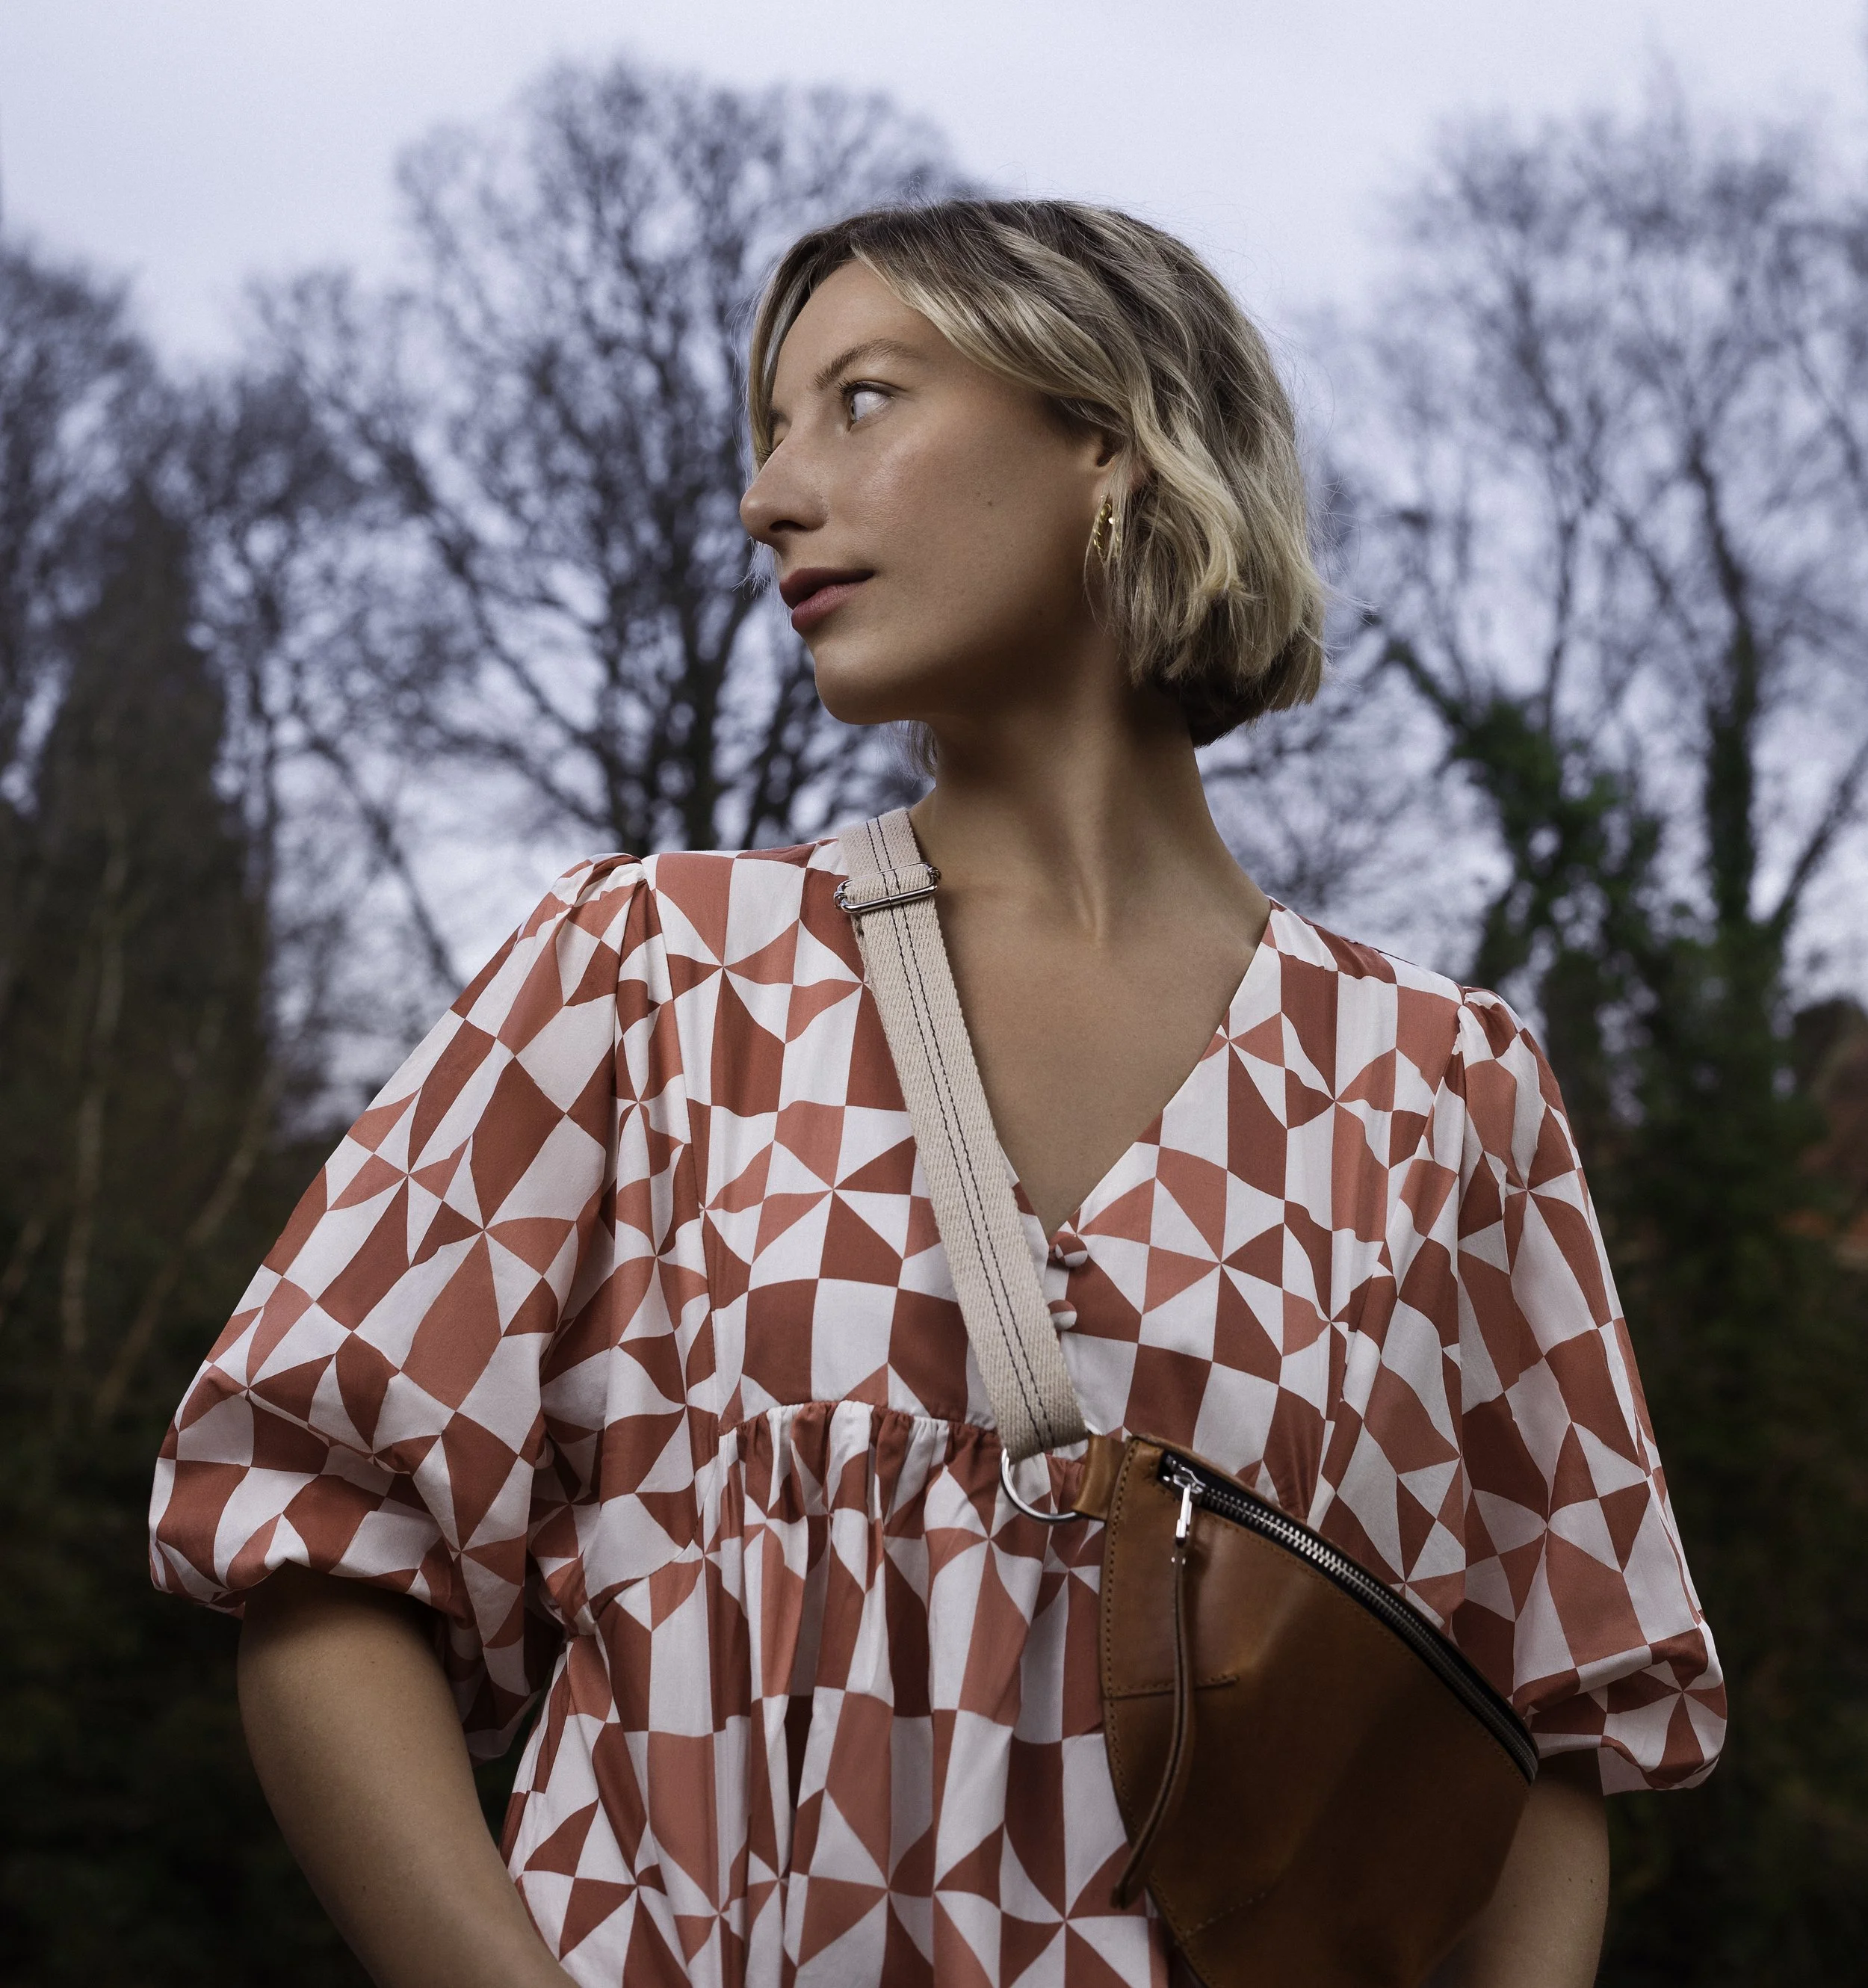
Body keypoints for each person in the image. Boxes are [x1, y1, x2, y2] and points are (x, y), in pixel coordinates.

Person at [149, 200, 1723, 1988]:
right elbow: (319, 1542)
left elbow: (1552, 1718)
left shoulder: (1442, 1085)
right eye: (767, 435)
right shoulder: (644, 973)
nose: (768, 498)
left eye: (862, 402)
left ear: (1107, 442)